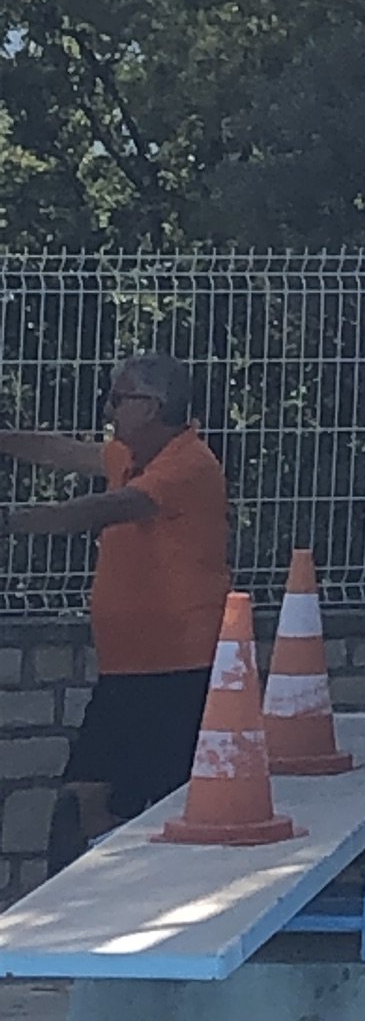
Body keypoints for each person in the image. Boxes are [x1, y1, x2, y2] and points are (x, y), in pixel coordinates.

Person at [1, 351, 233, 866]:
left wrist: (15, 521)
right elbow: (61, 451)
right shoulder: (130, 457)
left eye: (118, 399)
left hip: (178, 674)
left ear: (150, 406)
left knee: (167, 812)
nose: (108, 409)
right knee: (82, 805)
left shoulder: (188, 465)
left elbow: (106, 509)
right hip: (127, 672)